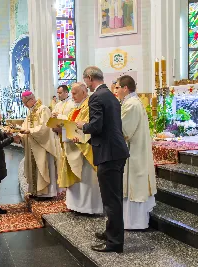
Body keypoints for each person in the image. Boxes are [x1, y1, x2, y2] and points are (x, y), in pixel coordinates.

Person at [76, 66, 129, 253]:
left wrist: (83, 126)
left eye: (85, 80)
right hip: (115, 151)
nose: (85, 84)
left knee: (111, 200)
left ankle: (115, 243)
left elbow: (97, 126)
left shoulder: (96, 97)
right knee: (113, 198)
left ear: (90, 78)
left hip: (108, 153)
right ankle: (111, 233)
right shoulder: (110, 95)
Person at [114, 75, 157, 229]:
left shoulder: (131, 104)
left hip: (134, 152)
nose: (116, 91)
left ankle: (134, 223)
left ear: (126, 88)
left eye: (118, 87)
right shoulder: (132, 102)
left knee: (134, 186)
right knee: (133, 184)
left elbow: (124, 130)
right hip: (133, 150)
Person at [59, 82, 103, 215]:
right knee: (77, 180)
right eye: (71, 93)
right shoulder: (75, 108)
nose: (72, 96)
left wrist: (75, 135)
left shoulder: (89, 106)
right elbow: (71, 124)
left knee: (86, 179)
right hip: (73, 147)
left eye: (74, 93)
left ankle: (89, 208)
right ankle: (75, 205)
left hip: (85, 150)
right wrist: (61, 125)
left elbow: (91, 126)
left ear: (84, 92)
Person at [17, 92, 62, 199]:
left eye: (25, 103)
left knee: (43, 167)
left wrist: (30, 131)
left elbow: (45, 127)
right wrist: (19, 134)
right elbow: (25, 126)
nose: (24, 105)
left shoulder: (43, 109)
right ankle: (36, 191)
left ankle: (47, 193)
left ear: (31, 99)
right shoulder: (31, 111)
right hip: (33, 145)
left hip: (43, 145)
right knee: (34, 168)